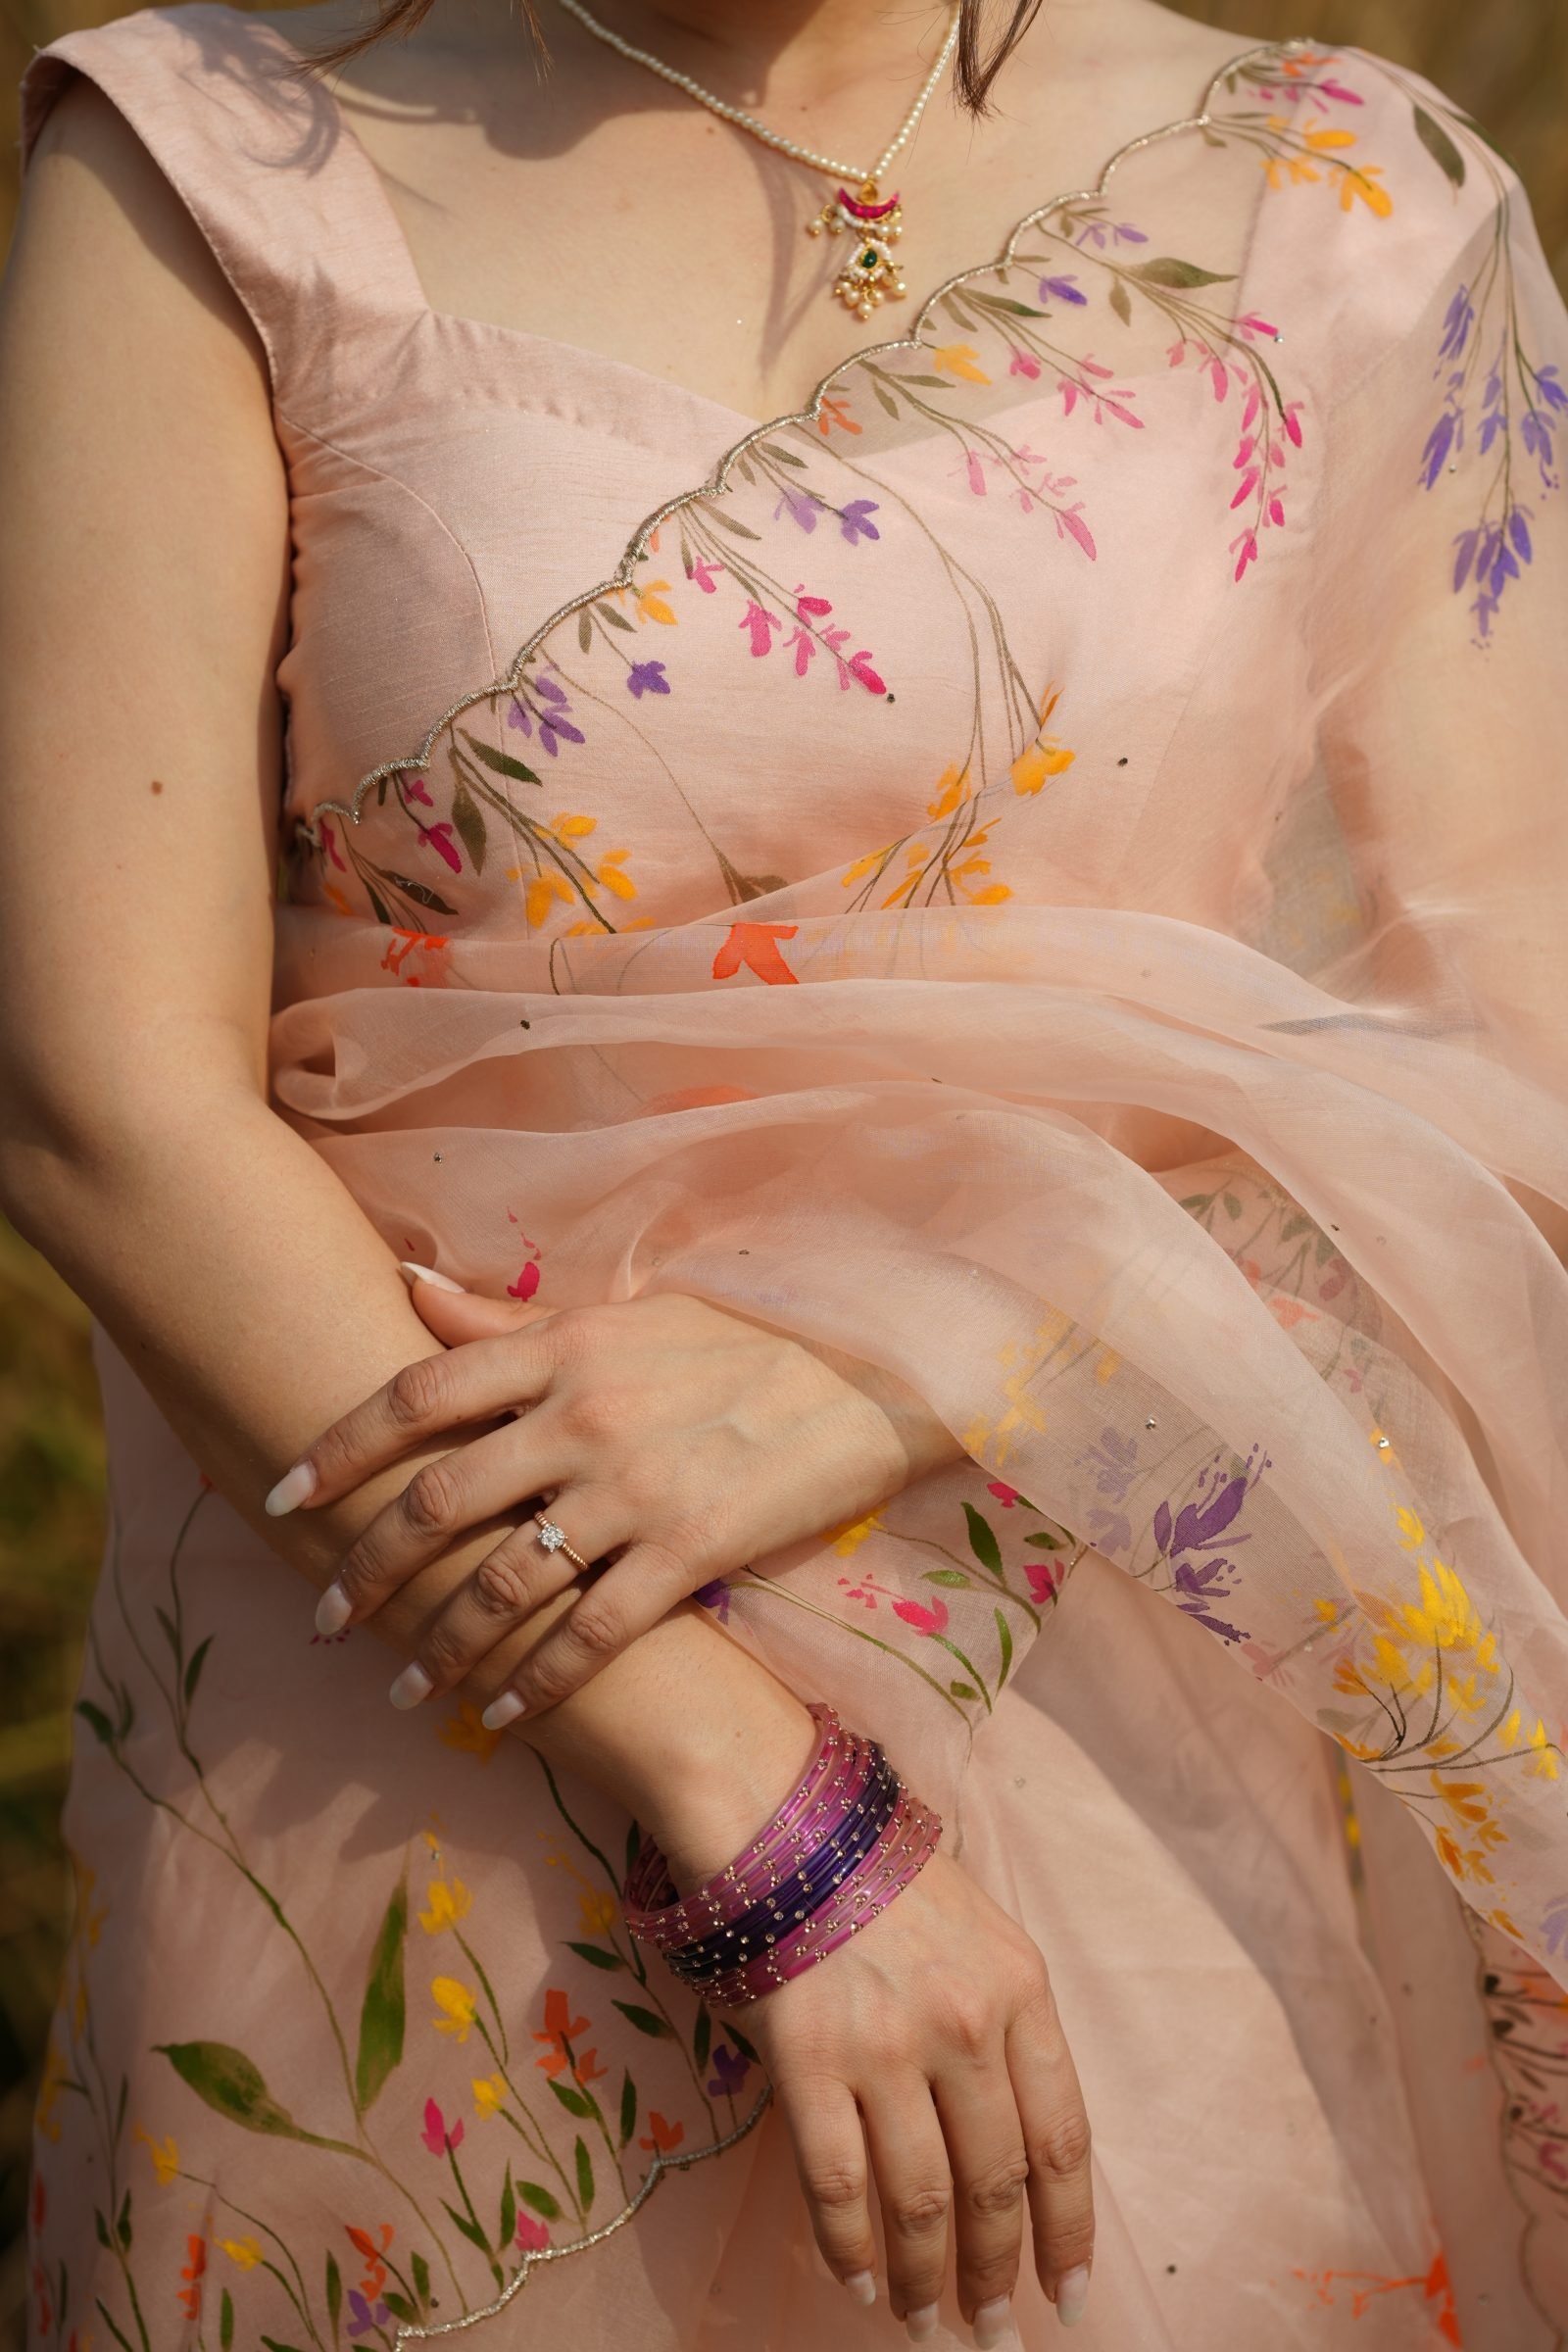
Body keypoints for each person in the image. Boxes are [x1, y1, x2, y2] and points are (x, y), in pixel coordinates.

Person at [2, 0, 1565, 2342]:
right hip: (431, 1710)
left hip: (1108, 1673)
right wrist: (761, 1802)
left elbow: (1503, 1034)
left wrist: (880, 1361)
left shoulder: (1336, 203)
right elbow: (95, 1099)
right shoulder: (212, 160)